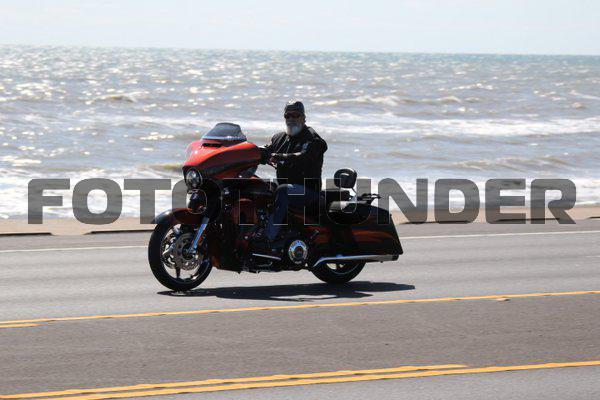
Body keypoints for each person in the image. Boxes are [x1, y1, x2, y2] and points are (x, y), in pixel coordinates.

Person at [252, 100, 328, 258]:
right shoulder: (279, 138)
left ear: (304, 118)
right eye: (288, 115)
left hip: (308, 191)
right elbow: (265, 150)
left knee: (283, 191)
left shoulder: (313, 139)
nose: (291, 119)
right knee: (258, 187)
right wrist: (248, 152)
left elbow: (303, 156)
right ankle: (252, 231)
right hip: (287, 188)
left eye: (296, 115)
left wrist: (278, 156)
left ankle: (267, 238)